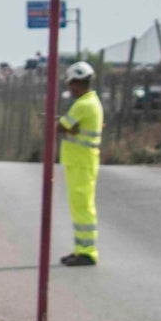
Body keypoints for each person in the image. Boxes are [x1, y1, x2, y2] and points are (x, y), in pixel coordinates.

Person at [58, 61, 104, 267]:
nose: (70, 89)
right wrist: (69, 128)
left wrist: (66, 127)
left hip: (81, 163)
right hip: (81, 162)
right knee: (79, 207)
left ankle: (87, 252)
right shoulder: (91, 103)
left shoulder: (83, 104)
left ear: (76, 83)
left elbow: (60, 126)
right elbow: (67, 126)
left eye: (70, 84)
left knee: (83, 208)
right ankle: (81, 249)